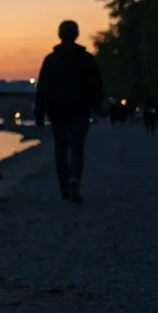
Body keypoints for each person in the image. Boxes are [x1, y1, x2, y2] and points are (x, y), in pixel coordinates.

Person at [33, 20, 103, 203]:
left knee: (60, 148)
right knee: (77, 147)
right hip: (80, 109)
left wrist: (39, 113)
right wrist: (97, 105)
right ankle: (75, 179)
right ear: (77, 34)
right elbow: (96, 84)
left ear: (59, 35)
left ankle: (64, 187)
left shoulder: (50, 60)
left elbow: (42, 89)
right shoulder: (87, 59)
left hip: (57, 111)